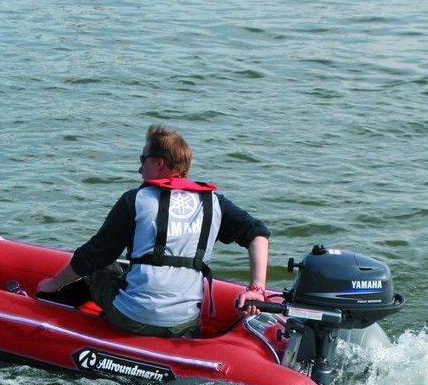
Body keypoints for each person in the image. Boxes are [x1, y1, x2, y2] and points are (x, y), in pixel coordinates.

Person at [37, 125, 271, 338]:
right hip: (186, 324)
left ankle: (71, 318)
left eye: (143, 160)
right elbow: (258, 233)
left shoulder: (135, 200)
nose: (139, 168)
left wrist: (54, 283)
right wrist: (256, 288)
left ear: (159, 163)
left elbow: (94, 255)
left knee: (100, 267)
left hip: (134, 319)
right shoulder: (213, 203)